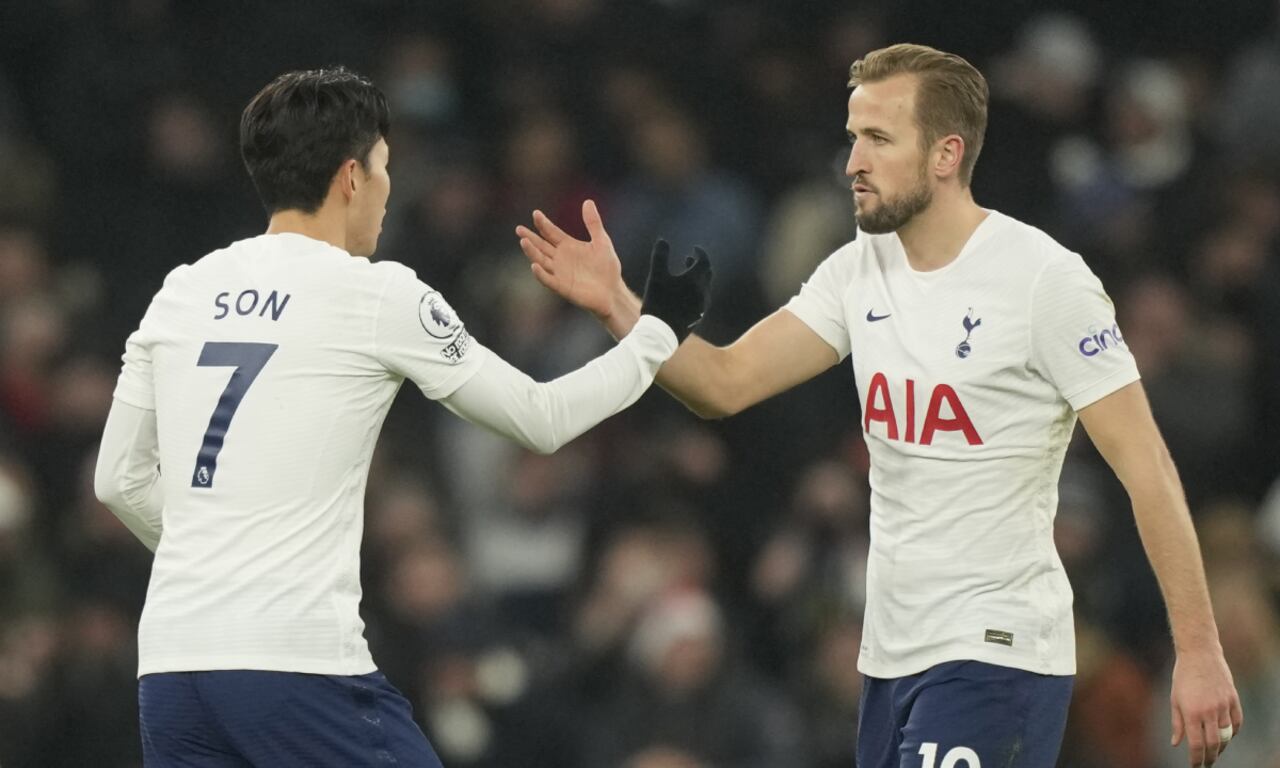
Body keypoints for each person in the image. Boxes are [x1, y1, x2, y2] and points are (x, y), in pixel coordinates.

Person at [516, 43, 1242, 768]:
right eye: (852, 138)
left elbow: (1146, 467)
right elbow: (724, 382)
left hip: (995, 653)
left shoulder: (1044, 282)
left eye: (878, 139)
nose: (852, 162)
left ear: (945, 154)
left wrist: (1199, 651)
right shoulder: (858, 270)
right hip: (890, 658)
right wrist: (618, 306)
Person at [92, 66, 711, 768]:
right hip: (295, 663)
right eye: (387, 167)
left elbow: (117, 479)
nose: (389, 191)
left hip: (173, 664)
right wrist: (657, 331)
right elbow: (541, 419)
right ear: (352, 176)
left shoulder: (181, 291)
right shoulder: (375, 293)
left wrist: (215, 566)